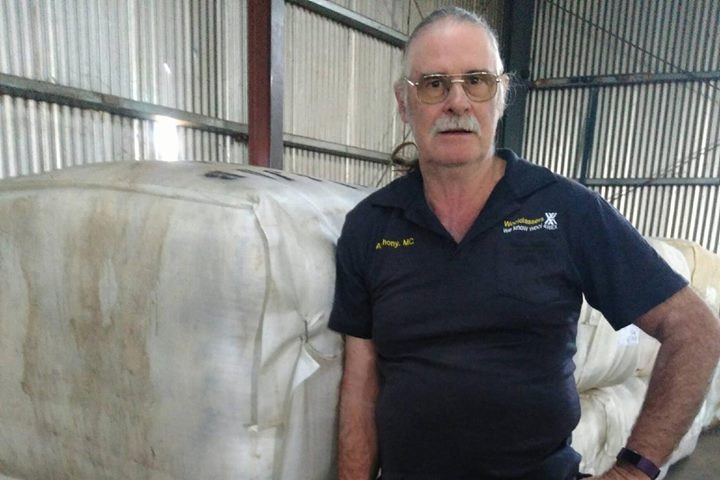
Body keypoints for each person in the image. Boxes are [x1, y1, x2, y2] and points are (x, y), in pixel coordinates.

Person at [328, 6, 720, 480]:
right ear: (402, 102)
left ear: (501, 95)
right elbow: (361, 386)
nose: (457, 102)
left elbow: (694, 329)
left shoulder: (565, 211)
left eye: (477, 81)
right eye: (433, 84)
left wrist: (635, 469)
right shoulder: (371, 227)